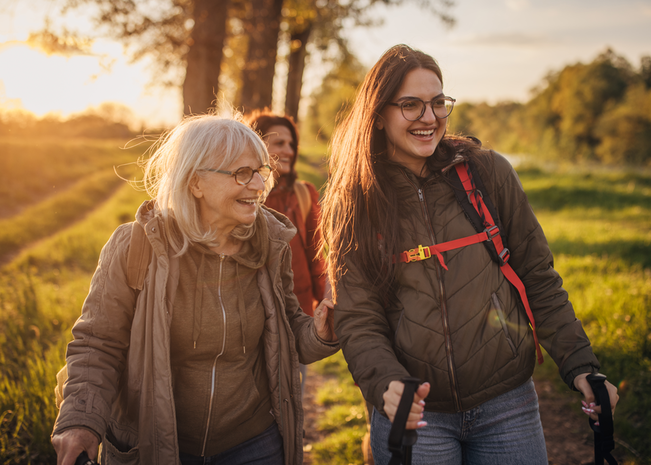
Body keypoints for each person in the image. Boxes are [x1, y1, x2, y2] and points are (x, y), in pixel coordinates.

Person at [319, 44, 619, 464]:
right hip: (415, 414)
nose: (430, 117)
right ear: (378, 114)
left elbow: (538, 277)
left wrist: (581, 365)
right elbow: (358, 314)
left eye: (438, 102)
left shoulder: (488, 172)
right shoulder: (356, 200)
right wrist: (385, 382)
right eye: (411, 105)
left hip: (507, 403)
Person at [51, 113, 339, 465]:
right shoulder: (136, 247)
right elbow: (98, 345)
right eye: (241, 173)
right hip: (160, 445)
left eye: (260, 172)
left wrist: (320, 331)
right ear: (195, 182)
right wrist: (80, 421)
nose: (259, 187)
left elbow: (288, 334)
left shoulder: (268, 245)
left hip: (254, 443)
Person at [246, 109, 328, 398]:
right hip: (249, 314)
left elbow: (315, 255)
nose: (288, 151)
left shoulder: (304, 193)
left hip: (297, 312)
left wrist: (327, 301)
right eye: (279, 143)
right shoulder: (243, 195)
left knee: (291, 396)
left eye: (291, 144)